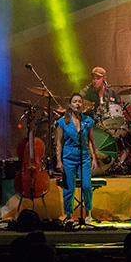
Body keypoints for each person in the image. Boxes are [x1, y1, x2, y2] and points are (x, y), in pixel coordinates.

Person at [55, 92, 99, 224]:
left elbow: (91, 141)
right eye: (75, 102)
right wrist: (59, 161)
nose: (77, 104)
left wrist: (94, 158)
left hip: (84, 156)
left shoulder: (87, 121)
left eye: (79, 101)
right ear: (70, 105)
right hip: (68, 156)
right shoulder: (63, 122)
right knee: (69, 188)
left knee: (87, 186)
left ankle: (87, 215)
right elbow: (59, 143)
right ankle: (69, 217)